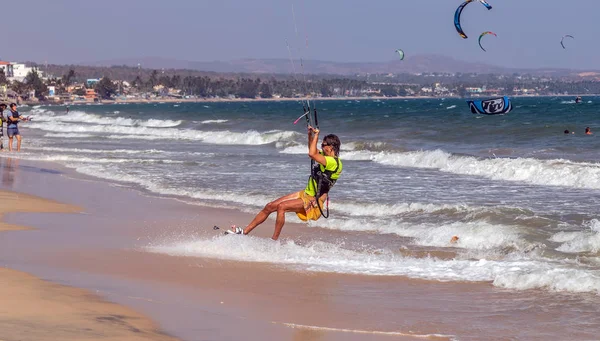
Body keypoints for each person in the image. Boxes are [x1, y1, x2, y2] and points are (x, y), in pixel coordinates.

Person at [227, 126, 342, 240]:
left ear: (331, 147)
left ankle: (274, 240)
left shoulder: (333, 162)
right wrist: (310, 135)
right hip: (305, 193)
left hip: (313, 200)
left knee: (282, 207)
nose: (321, 147)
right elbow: (312, 150)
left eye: (323, 145)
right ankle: (244, 232)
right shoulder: (326, 158)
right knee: (270, 206)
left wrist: (316, 135)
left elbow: (312, 154)